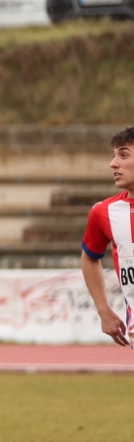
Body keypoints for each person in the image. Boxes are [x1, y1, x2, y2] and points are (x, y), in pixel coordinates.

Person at [79, 126, 134, 348]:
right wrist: (103, 310)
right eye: (114, 155)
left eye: (123, 155)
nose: (113, 163)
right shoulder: (104, 212)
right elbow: (89, 258)